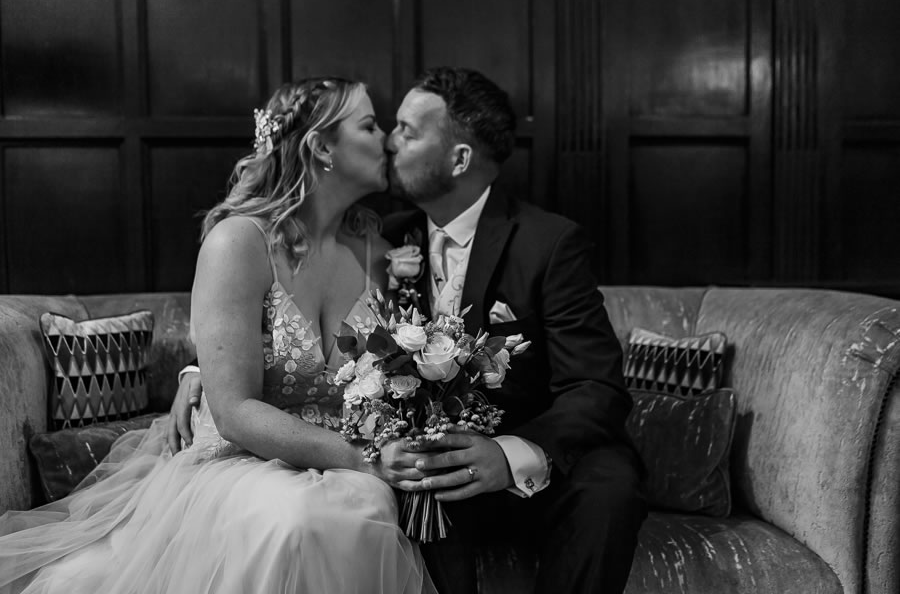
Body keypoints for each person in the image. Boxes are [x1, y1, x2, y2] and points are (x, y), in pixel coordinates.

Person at [171, 67, 647, 594]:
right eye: (379, 126)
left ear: (459, 159)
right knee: (364, 503)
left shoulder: (544, 244)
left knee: (610, 485)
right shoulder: (388, 240)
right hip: (410, 459)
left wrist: (509, 453)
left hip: (510, 444)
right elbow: (254, 330)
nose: (390, 141)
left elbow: (596, 386)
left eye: (406, 130)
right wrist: (200, 369)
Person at [0, 77, 436, 594]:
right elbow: (233, 411)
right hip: (246, 461)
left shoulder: (380, 254)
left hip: (346, 471)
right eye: (370, 125)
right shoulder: (239, 243)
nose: (386, 138)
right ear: (322, 147)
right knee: (300, 518)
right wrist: (364, 459)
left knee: (359, 506)